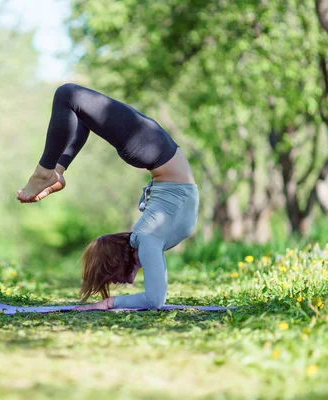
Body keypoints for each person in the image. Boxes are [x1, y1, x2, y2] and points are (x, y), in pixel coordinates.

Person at [17, 83, 198, 310]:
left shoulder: (147, 239)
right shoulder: (150, 240)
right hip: (156, 148)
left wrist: (108, 303)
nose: (128, 281)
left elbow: (154, 301)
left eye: (114, 278)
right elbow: (156, 299)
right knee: (78, 110)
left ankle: (47, 170)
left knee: (68, 95)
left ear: (117, 263)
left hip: (153, 148)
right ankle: (57, 172)